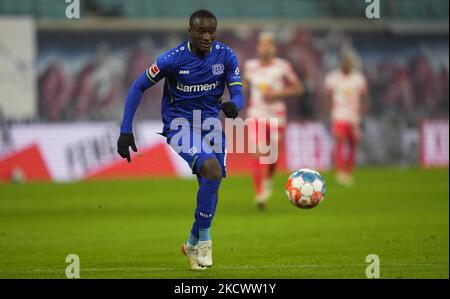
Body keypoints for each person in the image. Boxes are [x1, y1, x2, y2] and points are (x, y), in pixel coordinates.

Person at [117, 10, 244, 270]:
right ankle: (206, 243)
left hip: (210, 126)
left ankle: (190, 245)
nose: (207, 37)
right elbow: (137, 86)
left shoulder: (226, 56)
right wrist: (125, 129)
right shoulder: (172, 60)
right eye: (201, 31)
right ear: (190, 31)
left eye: (211, 31)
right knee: (211, 169)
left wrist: (234, 106)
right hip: (179, 126)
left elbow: (239, 94)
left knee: (212, 184)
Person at [243, 32, 303, 209]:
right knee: (257, 151)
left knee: (272, 156)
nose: (265, 47)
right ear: (258, 47)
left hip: (277, 116)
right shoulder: (250, 66)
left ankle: (268, 179)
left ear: (274, 48)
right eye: (262, 44)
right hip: (256, 114)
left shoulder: (283, 67)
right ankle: (260, 193)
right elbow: (244, 85)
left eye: (269, 44)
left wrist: (277, 94)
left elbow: (298, 89)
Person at [324, 53, 368, 186]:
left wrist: (362, 114)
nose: (347, 65)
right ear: (341, 63)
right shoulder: (332, 78)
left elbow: (363, 97)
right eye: (345, 62)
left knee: (353, 143)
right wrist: (328, 113)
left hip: (354, 116)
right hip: (339, 114)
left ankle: (348, 171)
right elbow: (328, 96)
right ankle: (340, 171)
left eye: (350, 63)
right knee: (340, 140)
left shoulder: (358, 78)